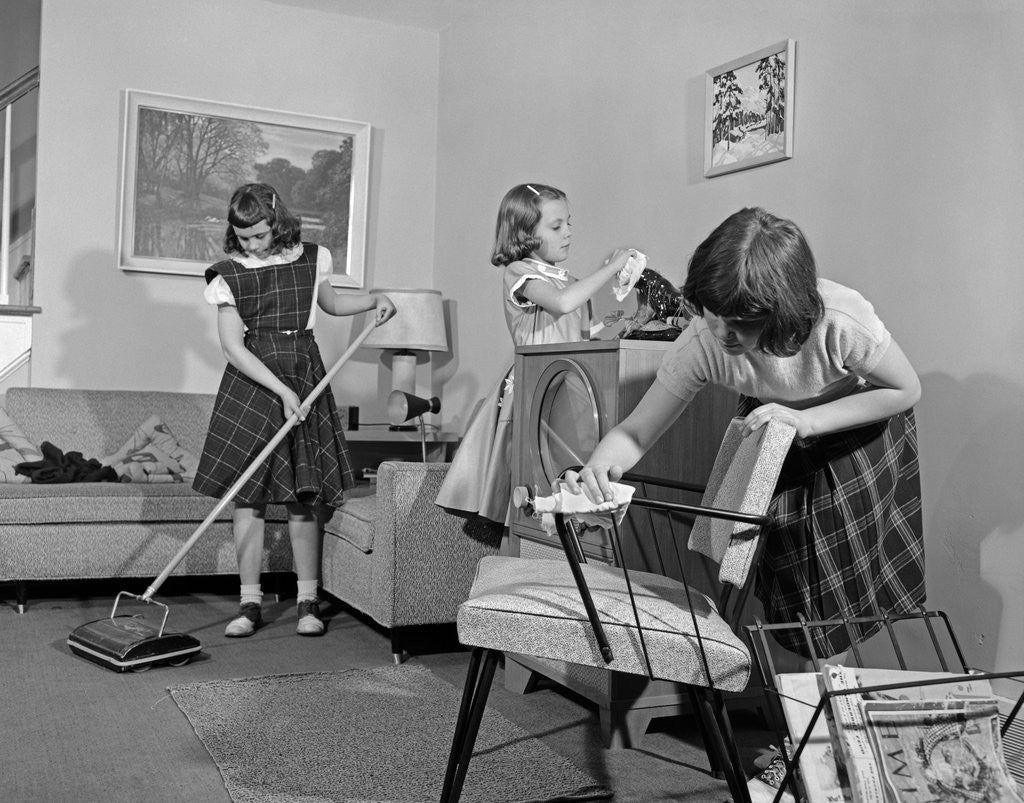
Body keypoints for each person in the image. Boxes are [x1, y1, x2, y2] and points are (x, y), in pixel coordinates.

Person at [561, 207, 925, 801]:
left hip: (854, 430)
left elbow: (905, 389)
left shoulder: (840, 319)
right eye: (713, 314)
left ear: (784, 311)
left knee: (833, 598)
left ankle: (842, 744)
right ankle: (806, 743)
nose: (725, 335)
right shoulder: (705, 339)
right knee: (782, 587)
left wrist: (807, 422)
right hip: (773, 430)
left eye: (743, 322)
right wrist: (600, 464)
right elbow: (636, 432)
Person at [193, 183, 395, 638]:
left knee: (306, 496)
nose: (251, 245)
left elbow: (333, 304)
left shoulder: (311, 258)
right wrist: (280, 390)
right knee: (249, 497)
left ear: (277, 222)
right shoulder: (229, 274)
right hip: (253, 383)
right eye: (243, 238)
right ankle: (249, 605)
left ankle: (308, 599)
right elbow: (231, 347)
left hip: (306, 373)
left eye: (260, 236)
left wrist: (373, 300)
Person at [435, 182, 639, 522]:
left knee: (566, 478)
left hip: (568, 385)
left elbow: (588, 334)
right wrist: (609, 269)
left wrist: (630, 319)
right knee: (527, 483)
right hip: (535, 387)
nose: (568, 233)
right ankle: (515, 555)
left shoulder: (571, 280)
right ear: (525, 232)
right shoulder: (521, 273)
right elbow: (561, 304)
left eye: (569, 223)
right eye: (557, 226)